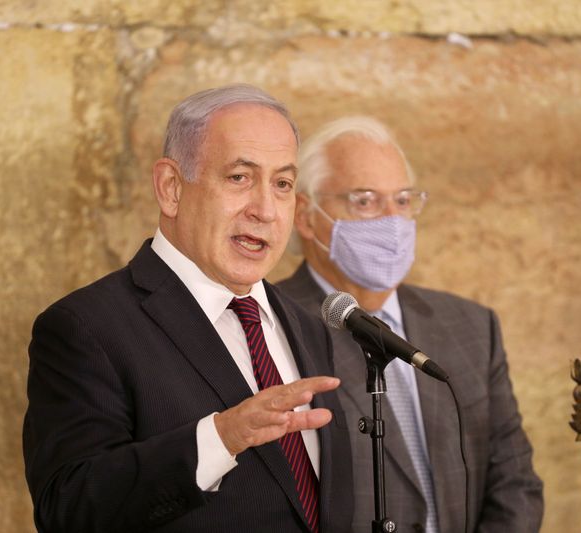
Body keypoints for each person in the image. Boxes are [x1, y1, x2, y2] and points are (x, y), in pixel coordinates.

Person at [22, 85, 353, 533]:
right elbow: (69, 509)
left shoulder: (307, 325)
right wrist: (221, 438)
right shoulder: (86, 327)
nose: (266, 210)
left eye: (282, 184)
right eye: (239, 177)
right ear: (171, 188)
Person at [277, 116, 543, 533]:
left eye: (402, 201)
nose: (392, 221)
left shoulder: (472, 326)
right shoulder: (270, 325)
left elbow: (515, 483)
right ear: (306, 217)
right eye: (364, 201)